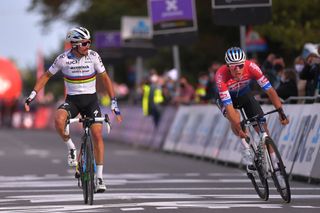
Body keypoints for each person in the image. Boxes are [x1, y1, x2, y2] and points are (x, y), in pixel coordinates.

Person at [24, 27, 123, 193]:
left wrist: (114, 102)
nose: (88, 46)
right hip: (73, 102)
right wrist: (32, 95)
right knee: (58, 119)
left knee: (97, 135)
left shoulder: (94, 57)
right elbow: (46, 76)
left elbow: (105, 78)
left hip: (91, 102)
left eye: (89, 42)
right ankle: (71, 148)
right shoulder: (63, 59)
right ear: (75, 44)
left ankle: (99, 177)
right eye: (84, 43)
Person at [215, 47, 289, 174]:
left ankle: (274, 161)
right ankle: (246, 149)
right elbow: (230, 108)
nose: (237, 69)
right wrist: (239, 129)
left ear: (245, 63)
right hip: (227, 99)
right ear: (228, 66)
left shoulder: (252, 67)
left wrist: (281, 112)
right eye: (234, 67)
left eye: (240, 65)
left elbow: (270, 91)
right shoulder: (221, 75)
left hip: (245, 95)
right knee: (235, 118)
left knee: (262, 127)